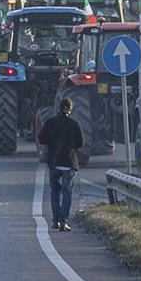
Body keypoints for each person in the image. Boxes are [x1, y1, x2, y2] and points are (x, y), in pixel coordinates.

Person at [38, 97, 84, 232]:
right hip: (69, 163)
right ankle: (64, 220)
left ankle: (55, 220)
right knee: (67, 192)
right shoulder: (74, 124)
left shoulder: (50, 122)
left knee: (55, 192)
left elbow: (42, 139)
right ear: (70, 109)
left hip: (54, 162)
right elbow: (80, 143)